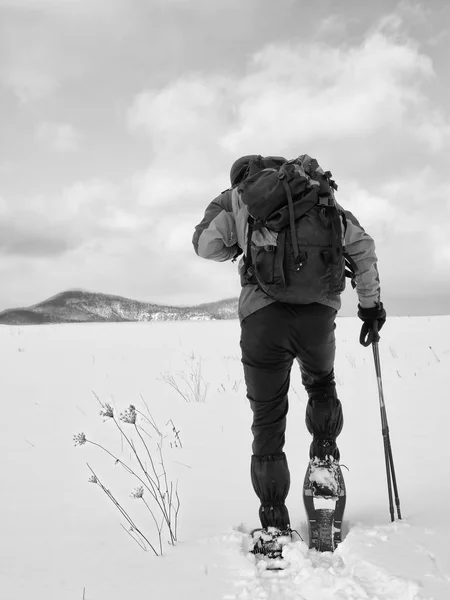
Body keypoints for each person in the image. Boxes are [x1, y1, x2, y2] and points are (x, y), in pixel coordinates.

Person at [192, 154, 385, 544]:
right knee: (321, 385)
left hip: (263, 319)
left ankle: (275, 523)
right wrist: (370, 306)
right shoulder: (319, 194)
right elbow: (362, 248)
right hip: (317, 317)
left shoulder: (240, 198)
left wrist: (238, 242)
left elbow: (205, 245)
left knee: (267, 419)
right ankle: (325, 464)